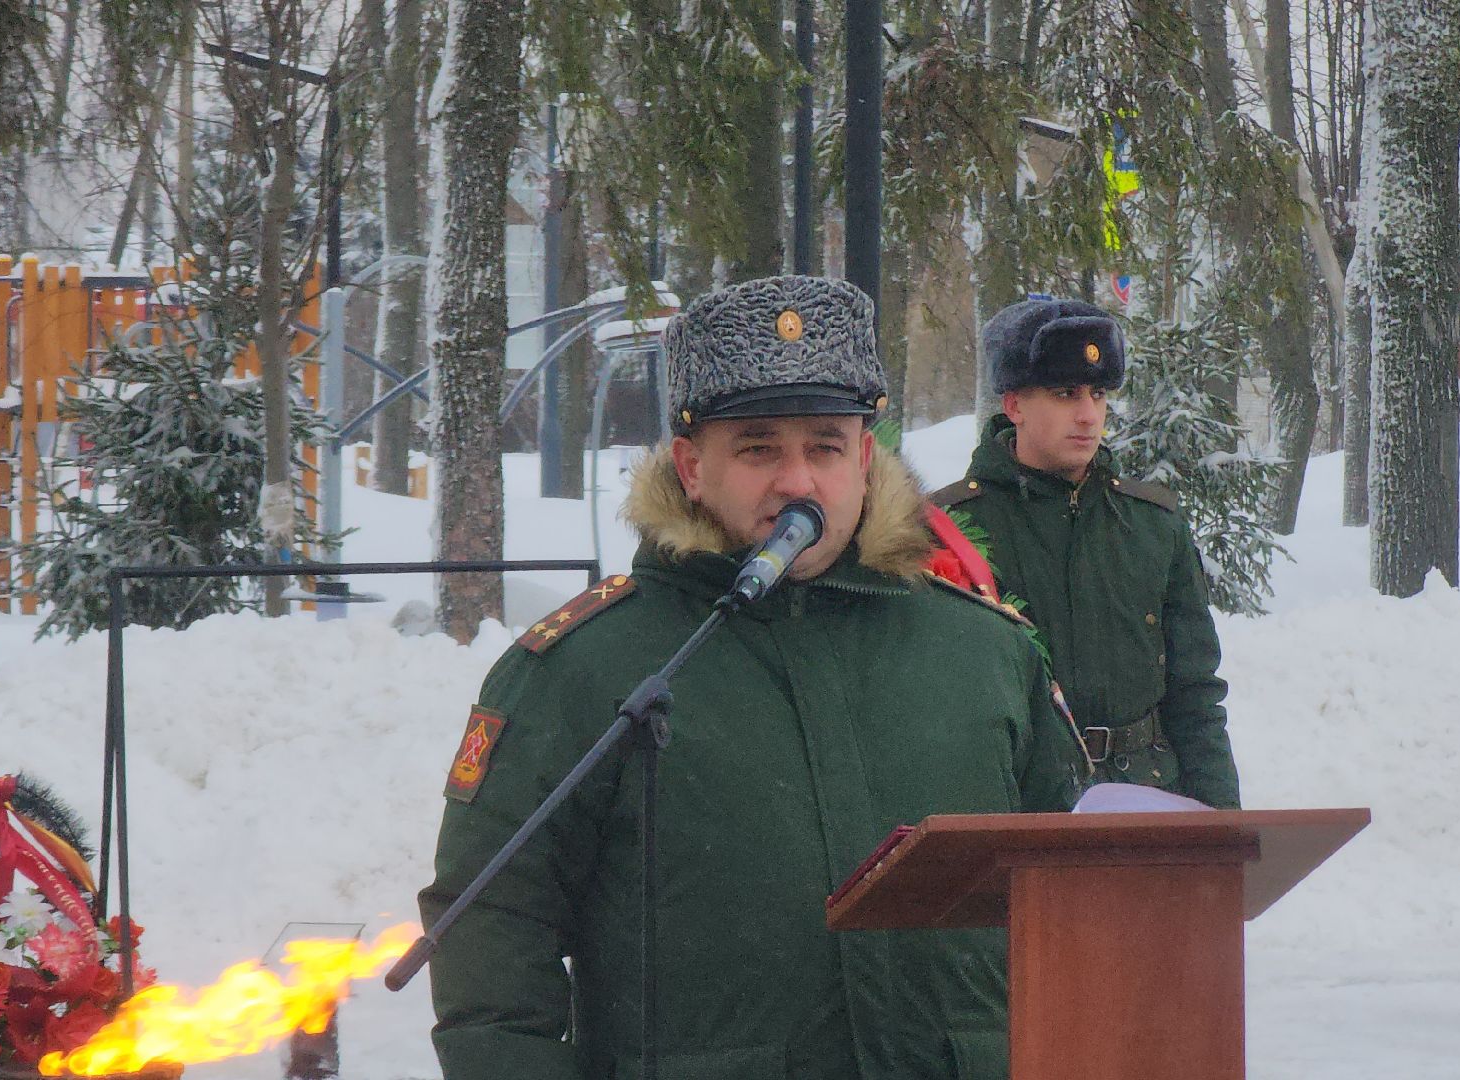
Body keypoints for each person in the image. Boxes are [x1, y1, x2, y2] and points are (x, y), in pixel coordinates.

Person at [419, 275, 1087, 1080]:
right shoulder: (587, 668)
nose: (797, 481)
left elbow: (1071, 905)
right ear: (692, 466)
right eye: (759, 447)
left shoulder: (982, 652)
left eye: (825, 447)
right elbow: (493, 932)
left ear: (866, 460)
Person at [932, 297, 1240, 808]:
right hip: (1018, 805)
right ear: (1014, 405)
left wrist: (1223, 825)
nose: (1087, 415)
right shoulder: (951, 527)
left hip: (1148, 795)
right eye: (1064, 393)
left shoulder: (1152, 523)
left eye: (1098, 394)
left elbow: (1195, 694)